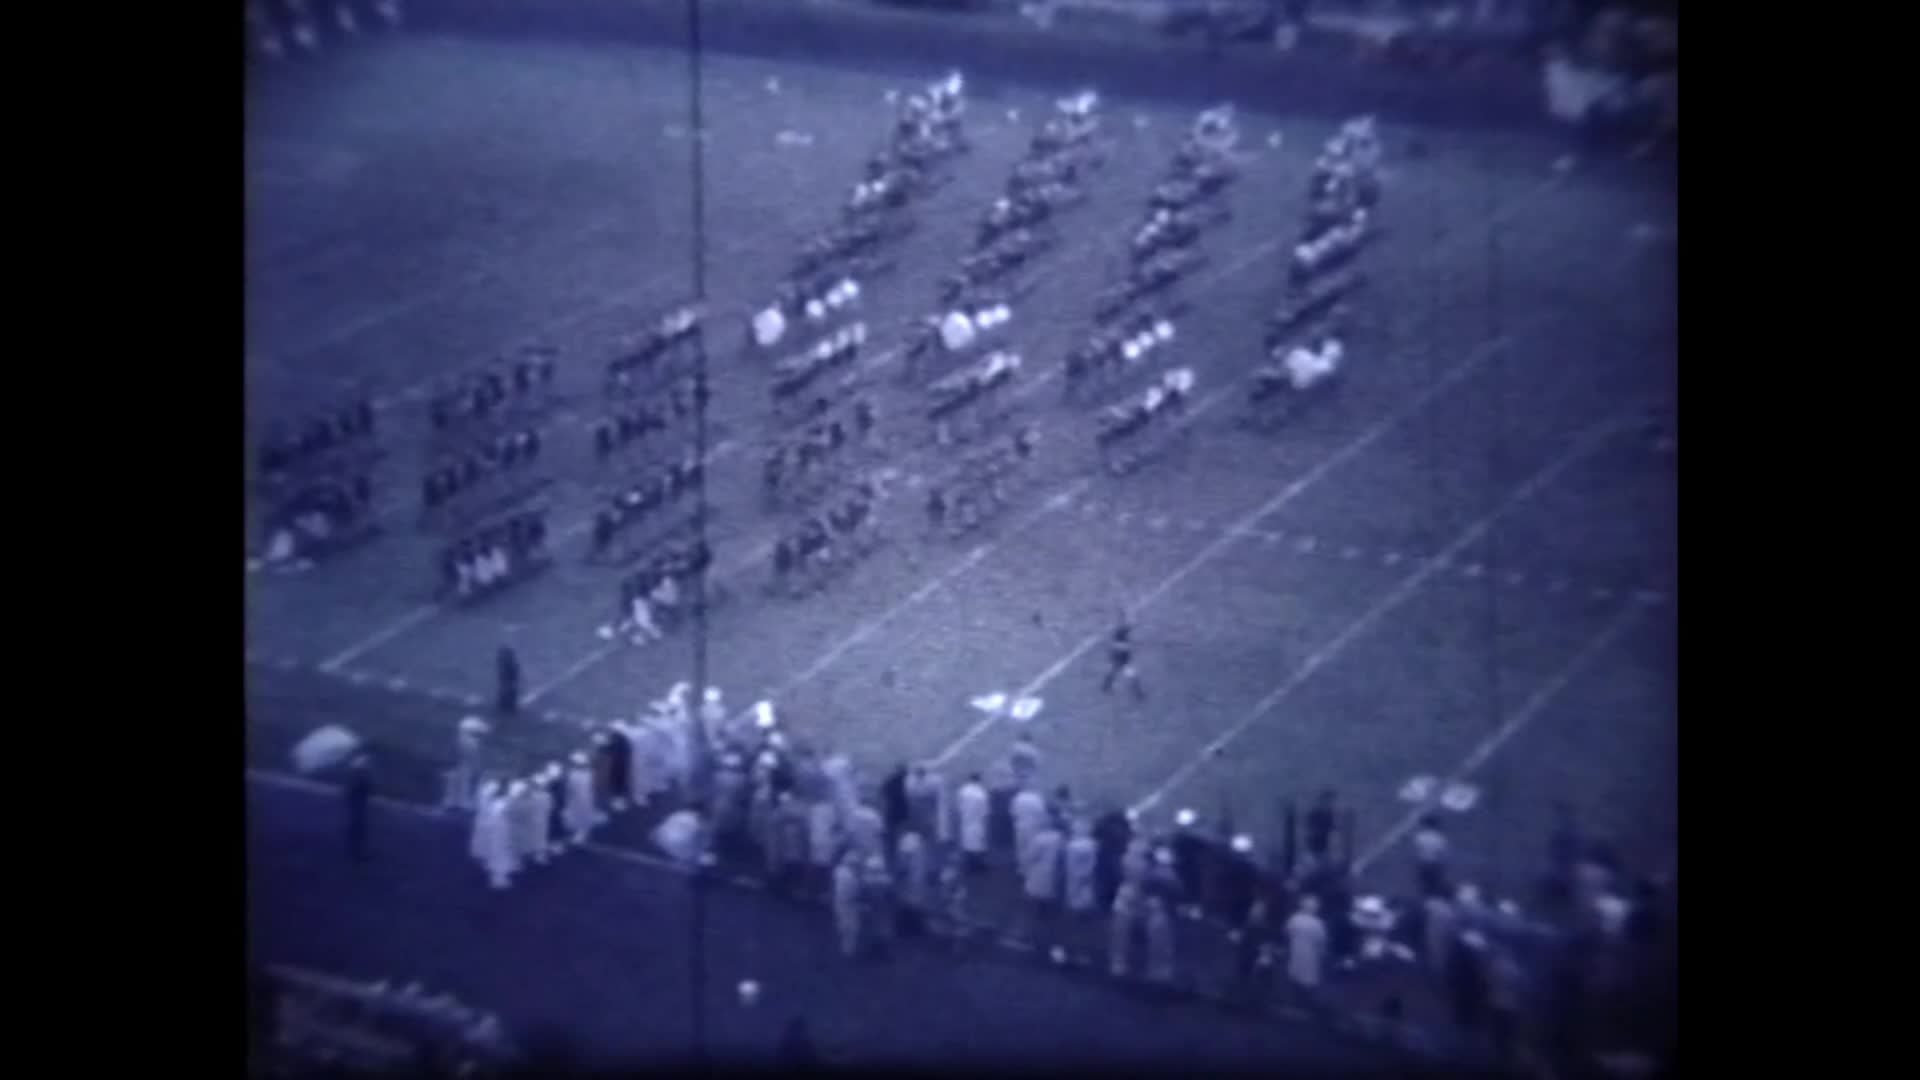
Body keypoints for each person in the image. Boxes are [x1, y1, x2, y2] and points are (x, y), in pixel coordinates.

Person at [1286, 896, 1329, 1007]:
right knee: (1308, 976)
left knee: (1296, 972)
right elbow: (1322, 940)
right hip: (1311, 953)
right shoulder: (1318, 923)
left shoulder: (1295, 919)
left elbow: (1287, 933)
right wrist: (1322, 953)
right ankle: (1305, 1001)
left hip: (1296, 949)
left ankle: (1294, 999)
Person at [1100, 614, 1146, 700]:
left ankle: (1105, 687)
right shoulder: (1119, 635)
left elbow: (1129, 629)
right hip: (1122, 659)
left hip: (1121, 658)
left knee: (1115, 671)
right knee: (1131, 675)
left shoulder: (1121, 633)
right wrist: (1130, 646)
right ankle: (1139, 695)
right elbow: (1121, 646)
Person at [956, 774, 990, 873]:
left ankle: (969, 865)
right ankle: (978, 866)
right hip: (977, 822)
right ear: (979, 780)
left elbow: (959, 807)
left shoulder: (963, 791)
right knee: (978, 844)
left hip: (965, 821)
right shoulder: (981, 793)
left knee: (967, 843)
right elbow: (985, 812)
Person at [344, 754, 372, 864]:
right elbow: (365, 790)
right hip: (358, 805)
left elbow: (350, 792)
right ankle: (356, 851)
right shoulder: (360, 777)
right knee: (358, 827)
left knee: (357, 827)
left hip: (357, 805)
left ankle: (355, 850)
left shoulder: (356, 776)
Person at [495, 645, 521, 717]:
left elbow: (513, 676)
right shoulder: (511, 664)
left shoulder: (507, 663)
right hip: (508, 689)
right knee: (507, 706)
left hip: (508, 690)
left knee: (506, 706)